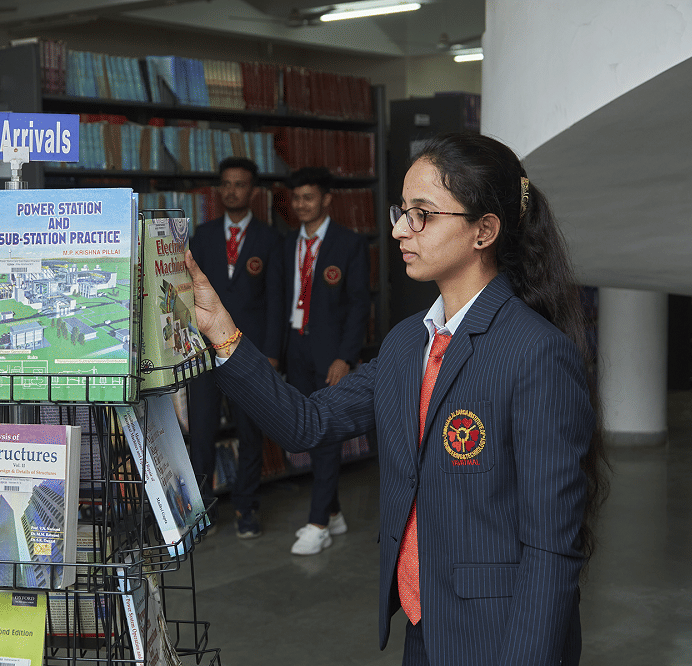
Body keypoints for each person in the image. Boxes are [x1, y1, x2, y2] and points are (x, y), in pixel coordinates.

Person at [186, 133, 609, 665]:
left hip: (501, 636)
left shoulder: (535, 353)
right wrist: (222, 333)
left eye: (421, 215)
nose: (398, 230)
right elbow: (306, 422)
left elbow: (551, 551)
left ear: (484, 231)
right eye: (401, 211)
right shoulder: (409, 342)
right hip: (423, 624)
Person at [188, 156, 283, 539]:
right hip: (203, 351)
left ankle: (247, 507)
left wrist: (272, 352)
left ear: (253, 191)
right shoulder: (203, 234)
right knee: (202, 432)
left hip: (250, 351)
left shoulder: (270, 239)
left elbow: (276, 299)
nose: (231, 191)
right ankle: (203, 512)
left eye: (239, 184)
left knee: (250, 432)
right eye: (225, 184)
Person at [281, 167, 370, 556]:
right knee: (305, 431)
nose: (301, 204)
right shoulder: (287, 244)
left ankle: (318, 523)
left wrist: (345, 357)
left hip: (331, 351)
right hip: (295, 346)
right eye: (296, 198)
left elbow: (359, 306)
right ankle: (333, 512)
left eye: (309, 197)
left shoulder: (349, 244)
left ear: (326, 199)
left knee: (326, 431)